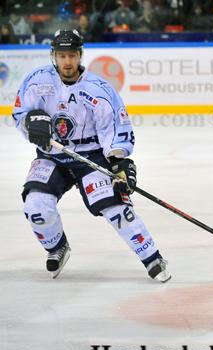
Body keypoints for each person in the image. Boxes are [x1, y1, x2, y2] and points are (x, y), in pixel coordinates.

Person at [12, 29, 170, 282]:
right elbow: (20, 113)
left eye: (72, 55)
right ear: (54, 56)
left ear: (80, 55)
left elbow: (116, 129)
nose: (67, 61)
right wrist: (32, 123)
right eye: (62, 55)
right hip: (53, 154)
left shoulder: (98, 89)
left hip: (91, 158)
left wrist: (118, 161)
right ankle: (57, 247)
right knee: (35, 205)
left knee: (116, 209)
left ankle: (152, 257)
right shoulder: (37, 81)